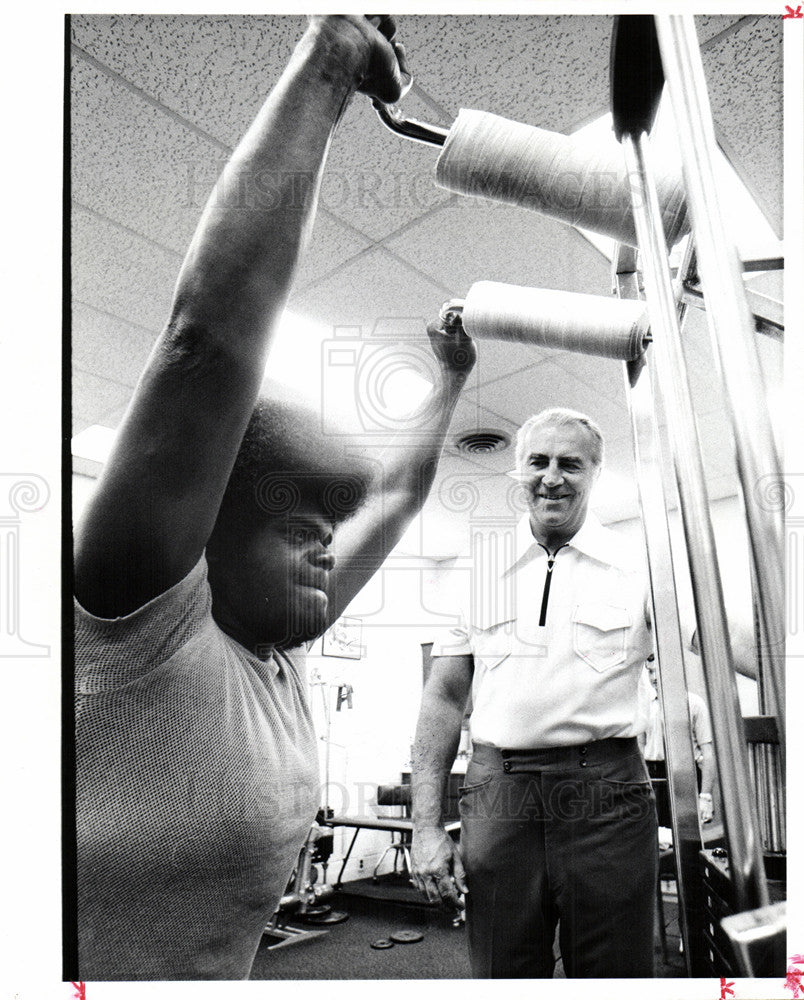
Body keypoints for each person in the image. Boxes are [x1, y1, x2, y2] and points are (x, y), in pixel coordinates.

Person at [73, 16, 475, 981]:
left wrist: (449, 379)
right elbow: (204, 344)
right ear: (204, 535)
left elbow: (395, 497)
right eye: (302, 531)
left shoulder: (279, 647)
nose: (330, 553)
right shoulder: (143, 630)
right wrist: (330, 67)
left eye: (324, 534)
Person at [410, 407, 657, 979]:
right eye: (538, 462)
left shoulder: (642, 564)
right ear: (517, 471)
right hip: (500, 796)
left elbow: (728, 639)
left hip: (606, 796)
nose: (552, 477)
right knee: (502, 970)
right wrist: (426, 826)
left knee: (615, 974)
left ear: (595, 472)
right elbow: (443, 698)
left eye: (570, 464)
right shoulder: (480, 567)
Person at [642, 654, 715, 826]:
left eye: (656, 672)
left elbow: (708, 754)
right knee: (656, 837)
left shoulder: (694, 704)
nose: (653, 678)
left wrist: (705, 796)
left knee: (687, 835)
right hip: (653, 777)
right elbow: (639, 747)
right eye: (649, 672)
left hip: (685, 775)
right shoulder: (646, 705)